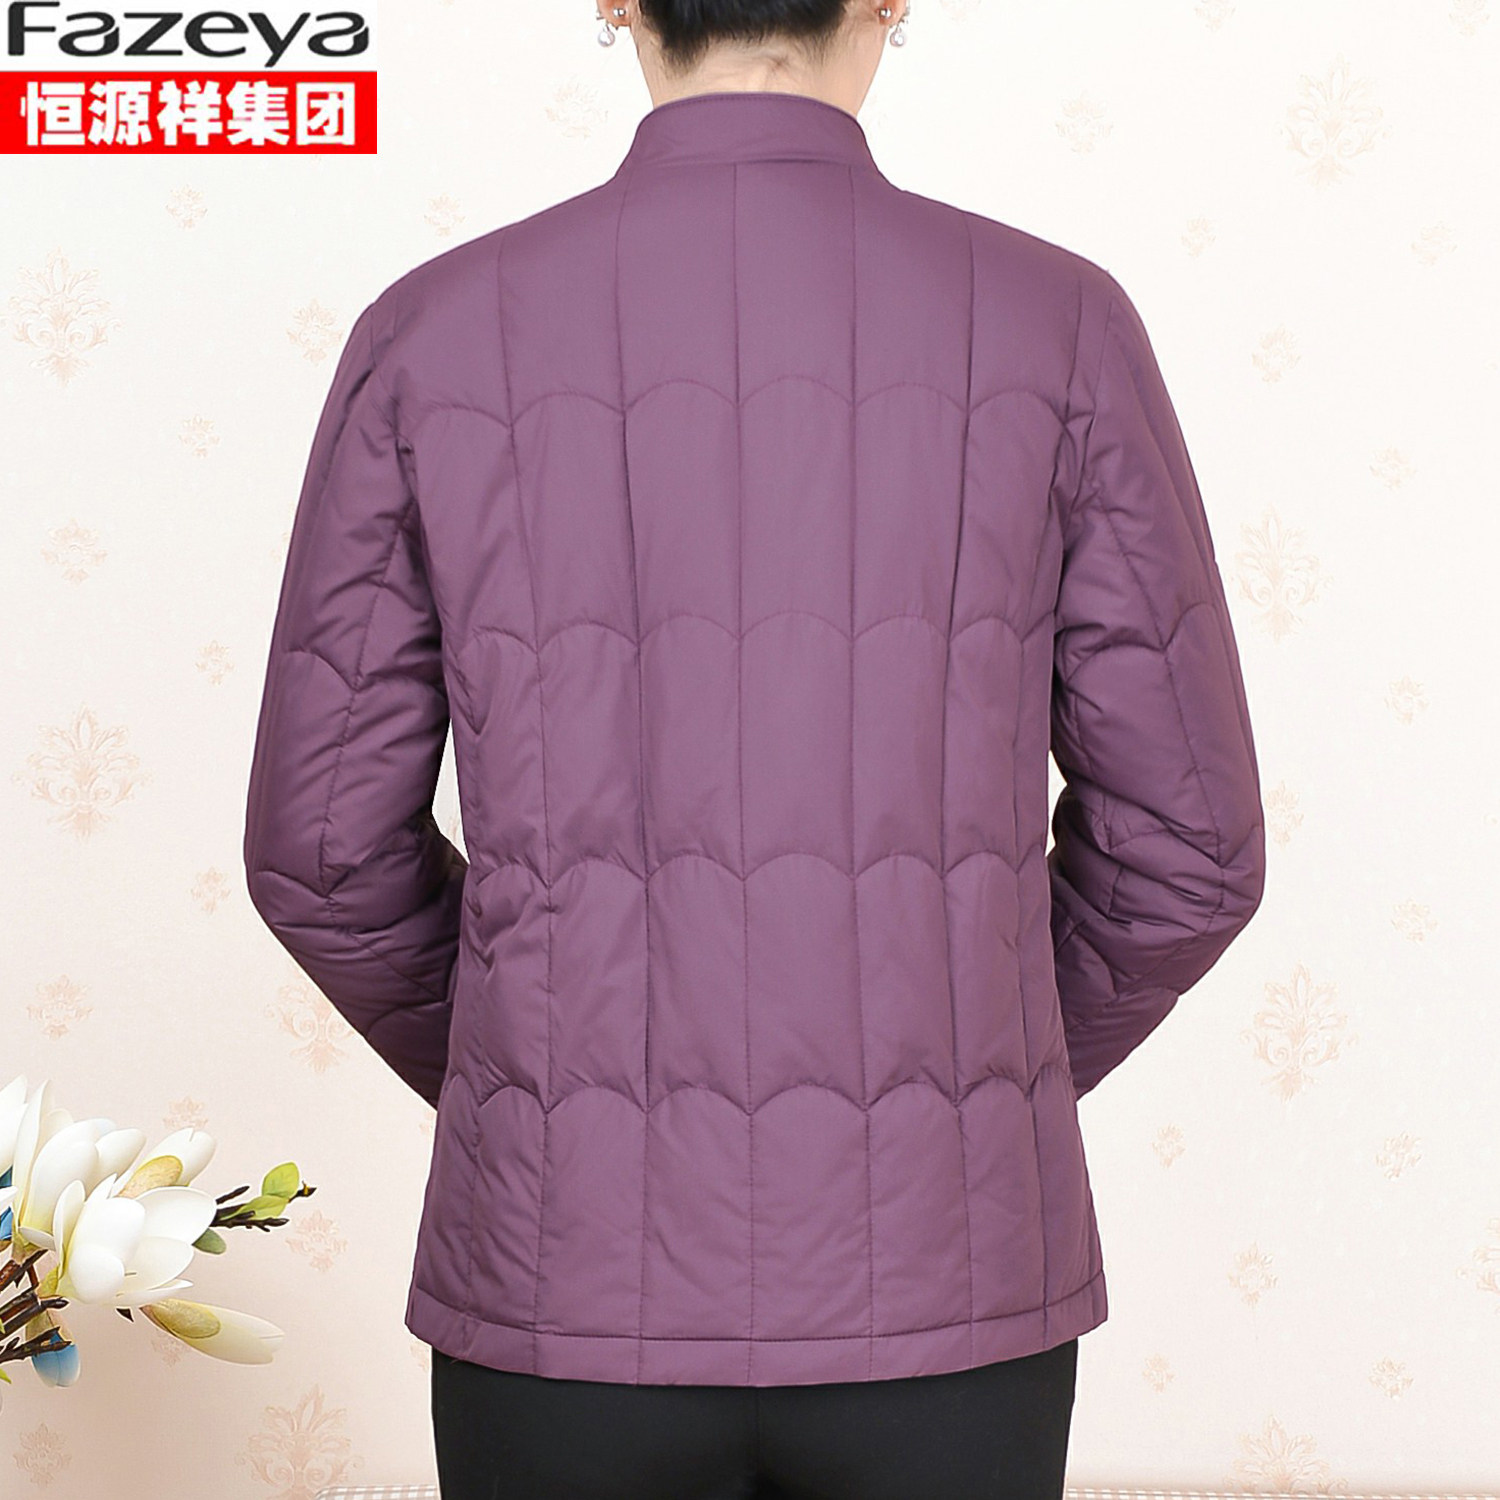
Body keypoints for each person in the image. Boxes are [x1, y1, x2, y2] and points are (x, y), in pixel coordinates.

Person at [241, 1, 1268, 1495]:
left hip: (563, 1284)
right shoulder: (1059, 324)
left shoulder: (434, 332)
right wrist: (965, 1091)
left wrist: (548, 1082)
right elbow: (1191, 854)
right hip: (947, 1284)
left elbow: (322, 855)